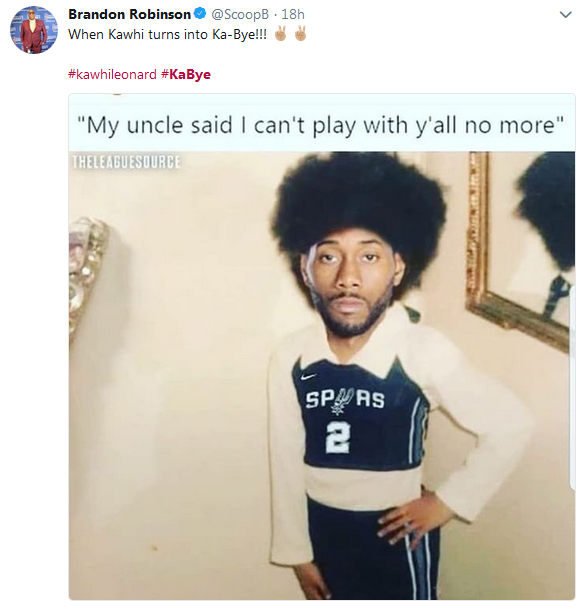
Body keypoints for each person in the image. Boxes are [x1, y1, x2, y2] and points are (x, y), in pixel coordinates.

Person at [267, 152, 534, 600]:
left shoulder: (421, 350)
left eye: (369, 255)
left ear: (398, 267)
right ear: (305, 268)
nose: (348, 277)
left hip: (396, 536)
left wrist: (448, 502)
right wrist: (297, 552)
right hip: (322, 532)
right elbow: (286, 460)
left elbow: (511, 423)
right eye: (329, 256)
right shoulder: (291, 357)